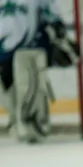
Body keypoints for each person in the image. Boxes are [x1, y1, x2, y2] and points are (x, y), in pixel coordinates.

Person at [0, 0, 78, 142]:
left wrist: (59, 31)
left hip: (29, 47)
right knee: (7, 91)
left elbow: (51, 12)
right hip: (3, 50)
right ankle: (18, 119)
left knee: (29, 88)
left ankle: (34, 123)